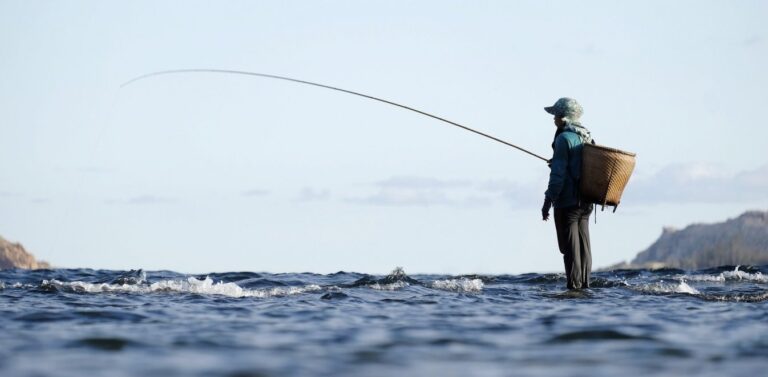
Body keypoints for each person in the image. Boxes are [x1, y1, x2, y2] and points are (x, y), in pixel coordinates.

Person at [541, 98, 594, 289]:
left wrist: (548, 200)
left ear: (563, 118)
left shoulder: (563, 139)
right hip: (587, 202)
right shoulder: (586, 136)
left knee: (569, 249)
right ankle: (585, 287)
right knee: (584, 247)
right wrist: (556, 160)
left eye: (555, 115)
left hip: (568, 202)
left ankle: (574, 289)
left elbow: (558, 176)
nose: (553, 119)